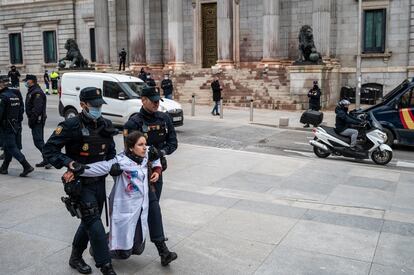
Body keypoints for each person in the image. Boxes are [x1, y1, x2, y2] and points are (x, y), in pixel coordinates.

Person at [43, 87, 118, 275]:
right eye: (94, 106)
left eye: (100, 105)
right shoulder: (70, 125)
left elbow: (111, 152)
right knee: (94, 222)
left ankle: (75, 257)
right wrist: (69, 163)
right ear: (83, 104)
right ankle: (106, 266)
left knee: (88, 221)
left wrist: (114, 165)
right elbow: (49, 150)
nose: (98, 109)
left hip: (99, 182)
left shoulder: (106, 124)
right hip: (79, 184)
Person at [63, 131, 162, 260]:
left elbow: (156, 156)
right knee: (123, 253)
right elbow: (99, 167)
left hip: (141, 209)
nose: (145, 147)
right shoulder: (120, 161)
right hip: (126, 208)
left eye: (145, 144)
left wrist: (157, 170)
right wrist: (76, 169)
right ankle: (97, 248)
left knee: (138, 249)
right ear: (131, 148)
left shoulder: (145, 153)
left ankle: (112, 239)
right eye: (140, 144)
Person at [123, 86, 178, 267]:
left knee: (149, 209)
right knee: (149, 209)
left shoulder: (164, 118)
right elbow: (128, 152)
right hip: (137, 174)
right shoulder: (133, 123)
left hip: (157, 172)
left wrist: (159, 153)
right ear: (143, 100)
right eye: (152, 100)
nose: (156, 103)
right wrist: (147, 155)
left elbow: (173, 143)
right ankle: (162, 250)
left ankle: (126, 242)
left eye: (158, 100)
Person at [0, 75, 34, 177]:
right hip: (15, 124)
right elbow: (20, 109)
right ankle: (4, 167)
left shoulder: (3, 97)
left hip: (6, 126)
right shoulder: (14, 95)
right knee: (7, 147)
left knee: (11, 147)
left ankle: (26, 166)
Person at [23, 74, 51, 169]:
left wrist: (32, 120)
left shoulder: (37, 93)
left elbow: (37, 109)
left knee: (38, 141)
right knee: (40, 141)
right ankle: (46, 159)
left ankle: (49, 159)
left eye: (27, 81)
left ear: (31, 81)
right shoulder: (33, 90)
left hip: (37, 120)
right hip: (36, 120)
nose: (25, 82)